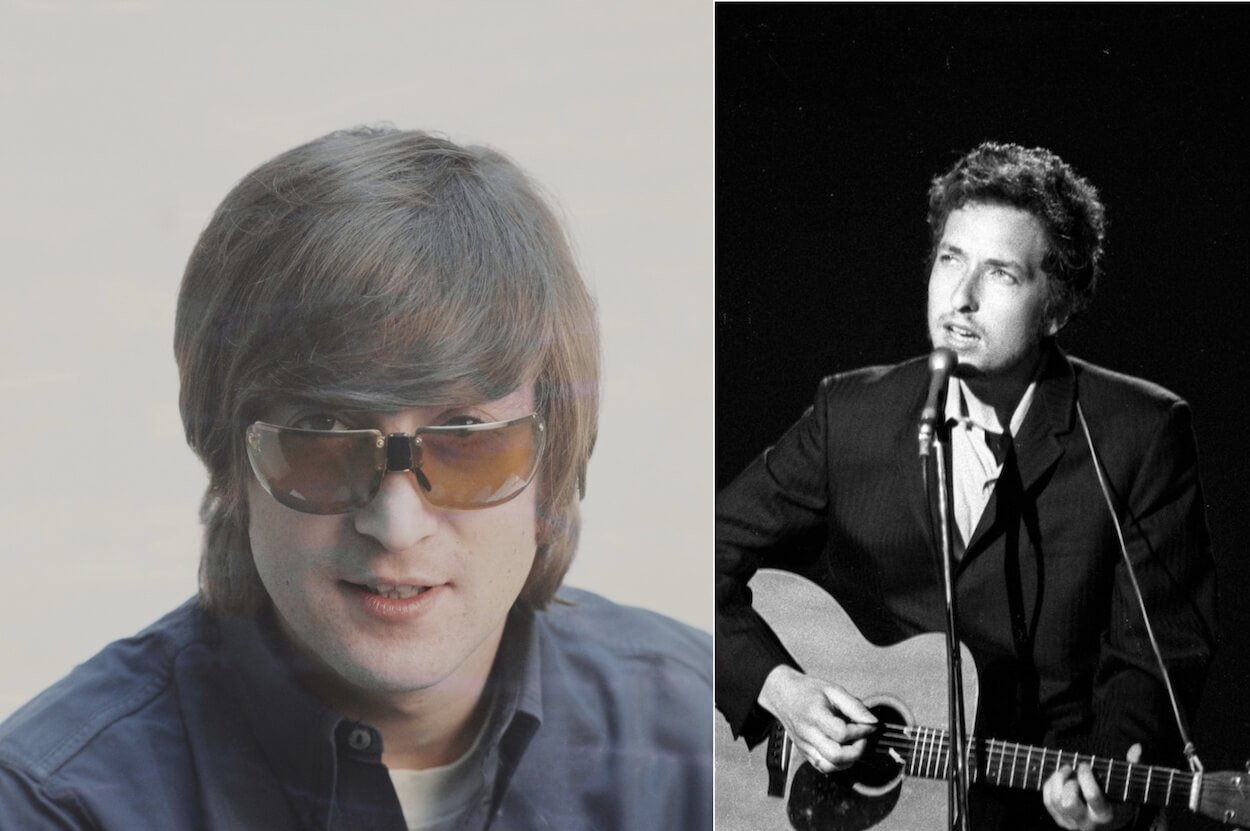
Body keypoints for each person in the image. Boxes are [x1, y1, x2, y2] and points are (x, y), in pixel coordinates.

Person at [0, 127, 712, 830]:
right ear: (234, 466)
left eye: (466, 439)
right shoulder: (56, 806)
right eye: (324, 440)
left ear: (552, 466)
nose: (396, 523)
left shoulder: (700, 728)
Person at [715, 142, 1217, 830]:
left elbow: (1157, 652)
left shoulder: (1138, 431)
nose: (962, 297)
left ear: (1058, 307)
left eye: (1002, 272)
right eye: (951, 259)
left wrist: (1106, 788)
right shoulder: (852, 414)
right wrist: (779, 688)